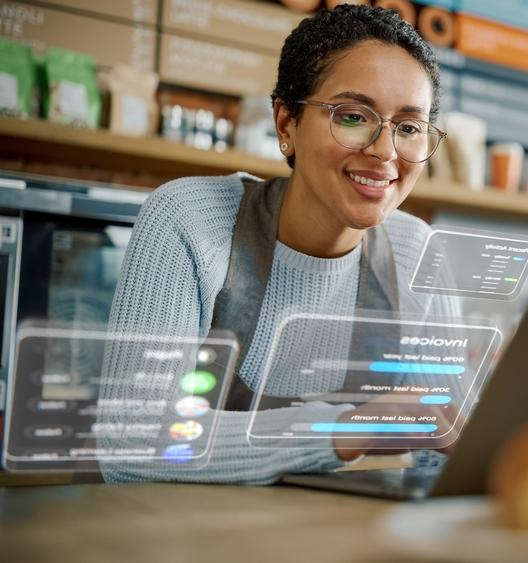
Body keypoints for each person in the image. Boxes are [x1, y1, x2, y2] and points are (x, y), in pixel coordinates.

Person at [98, 5, 459, 484]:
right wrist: (339, 431)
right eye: (353, 116)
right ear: (286, 123)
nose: (385, 151)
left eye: (409, 127)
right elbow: (127, 442)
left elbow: (446, 447)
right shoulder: (188, 220)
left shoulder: (418, 253)